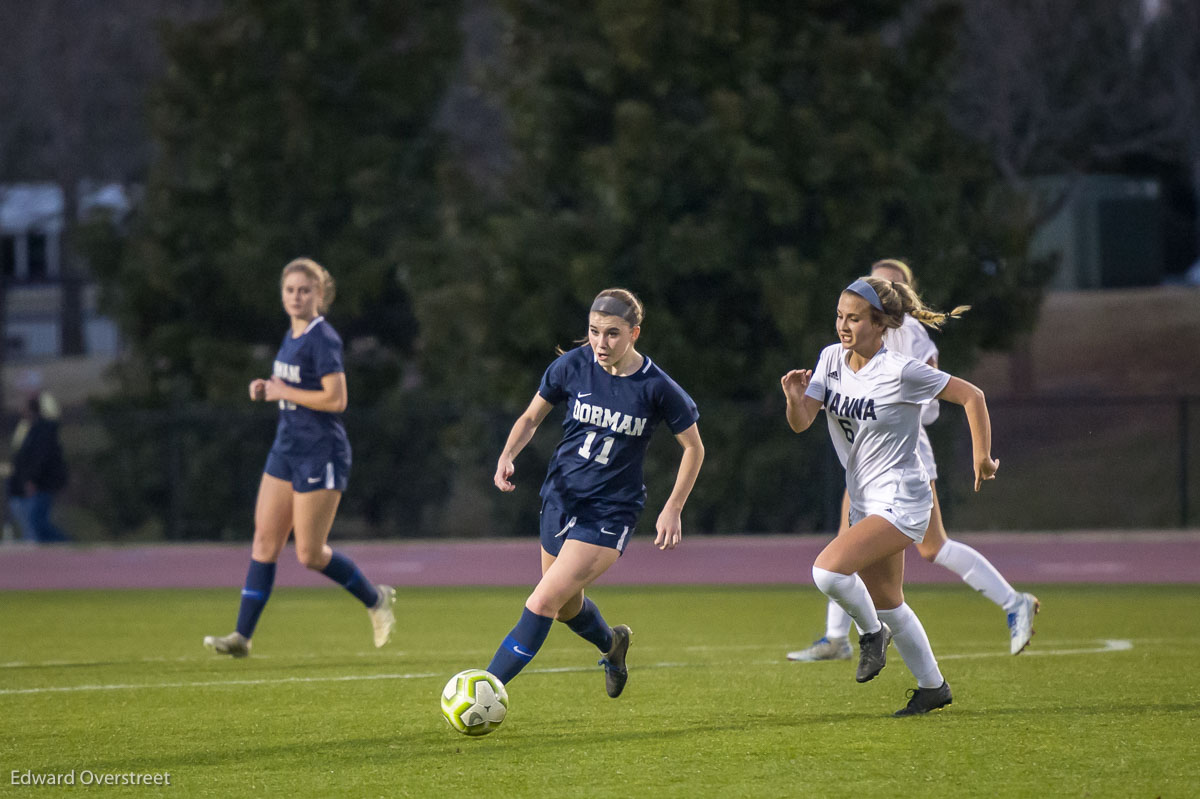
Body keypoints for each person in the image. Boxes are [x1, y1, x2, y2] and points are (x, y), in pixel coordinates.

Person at [787, 260, 1038, 662]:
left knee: (896, 547)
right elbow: (806, 415)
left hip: (900, 452)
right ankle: (859, 642)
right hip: (868, 455)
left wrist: (975, 451)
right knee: (910, 551)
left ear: (891, 306)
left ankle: (845, 636)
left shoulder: (910, 338)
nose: (876, 288)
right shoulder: (837, 354)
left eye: (887, 284)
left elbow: (947, 394)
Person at [481, 288, 704, 699]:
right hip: (560, 498)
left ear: (635, 333)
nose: (601, 343)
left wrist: (673, 506)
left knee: (544, 599)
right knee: (567, 607)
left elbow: (694, 447)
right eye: (594, 332)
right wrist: (507, 453)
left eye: (613, 334)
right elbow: (531, 417)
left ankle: (485, 689)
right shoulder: (572, 366)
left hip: (610, 511)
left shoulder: (656, 387)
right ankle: (612, 645)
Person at [204, 258, 395, 658]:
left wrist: (282, 392)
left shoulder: (322, 338)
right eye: (290, 290)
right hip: (286, 449)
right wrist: (267, 388)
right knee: (264, 541)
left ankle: (375, 598)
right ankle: (242, 636)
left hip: (320, 453)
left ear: (319, 295)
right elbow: (289, 385)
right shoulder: (291, 335)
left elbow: (336, 399)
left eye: (304, 290)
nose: (296, 296)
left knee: (309, 553)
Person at [7, 391, 71, 543]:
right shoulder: (27, 428)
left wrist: (31, 479)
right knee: (34, 523)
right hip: (26, 483)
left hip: (41, 483)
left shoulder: (42, 430)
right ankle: (54, 546)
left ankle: (65, 543)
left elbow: (39, 457)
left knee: (37, 522)